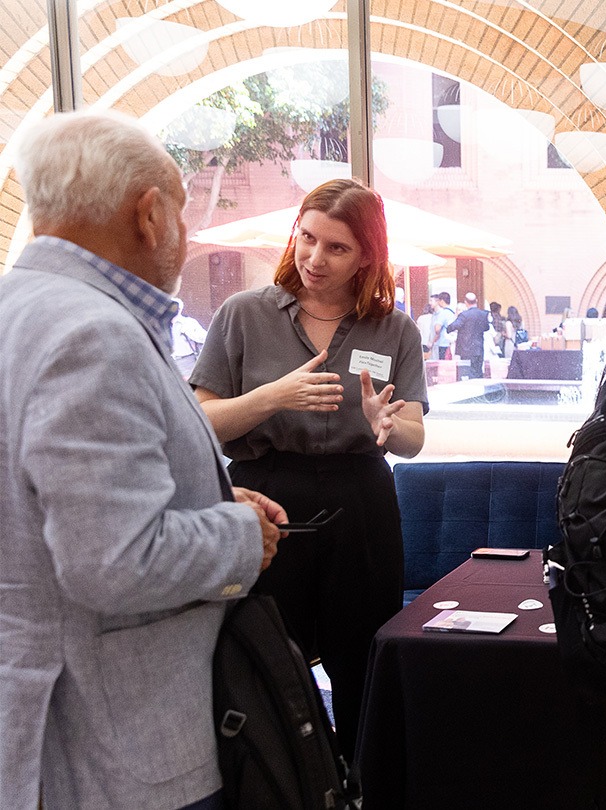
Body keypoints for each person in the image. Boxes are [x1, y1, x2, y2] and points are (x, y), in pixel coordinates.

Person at [0, 110, 283, 809]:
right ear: (150, 215)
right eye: (182, 215)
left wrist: (210, 504)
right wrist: (240, 535)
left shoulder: (18, 310)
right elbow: (115, 560)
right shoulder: (93, 334)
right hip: (114, 750)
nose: (184, 239)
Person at [190, 177, 427, 760]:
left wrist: (387, 423)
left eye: (337, 248)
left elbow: (415, 438)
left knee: (362, 662)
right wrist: (274, 396)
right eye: (307, 238)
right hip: (265, 495)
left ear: (368, 255)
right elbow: (201, 424)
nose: (315, 258)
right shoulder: (242, 314)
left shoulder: (394, 329)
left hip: (362, 499)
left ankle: (362, 789)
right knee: (267, 659)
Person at [446, 291, 489, 379]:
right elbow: (486, 328)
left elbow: (454, 326)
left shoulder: (464, 315)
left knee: (468, 373)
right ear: (476, 301)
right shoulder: (483, 314)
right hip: (479, 348)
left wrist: (448, 328)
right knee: (478, 371)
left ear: (465, 302)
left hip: (466, 349)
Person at [170, 297, 209, 379]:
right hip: (170, 361)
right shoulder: (164, 323)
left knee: (188, 387)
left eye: (176, 307)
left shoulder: (188, 323)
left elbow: (204, 338)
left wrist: (191, 333)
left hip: (187, 360)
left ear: (180, 309)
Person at [430, 291, 456, 360]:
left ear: (441, 301)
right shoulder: (453, 312)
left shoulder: (443, 313)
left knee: (442, 365)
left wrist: (435, 337)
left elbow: (437, 329)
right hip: (451, 343)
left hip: (442, 343)